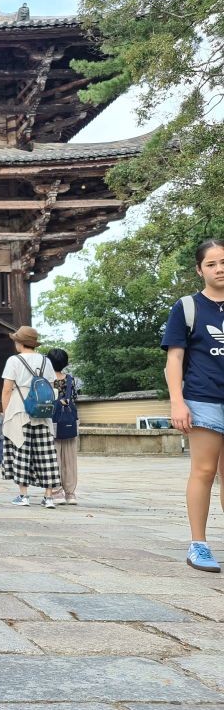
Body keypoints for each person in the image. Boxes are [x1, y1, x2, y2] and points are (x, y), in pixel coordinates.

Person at [163, 238, 224, 573]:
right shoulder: (187, 307)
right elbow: (174, 358)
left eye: (223, 262)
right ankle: (199, 544)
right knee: (204, 471)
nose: (219, 269)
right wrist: (177, 401)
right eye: (211, 264)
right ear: (200, 269)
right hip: (203, 398)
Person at [1, 326, 60, 508]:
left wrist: (6, 414)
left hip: (20, 408)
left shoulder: (14, 360)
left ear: (20, 342)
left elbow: (7, 389)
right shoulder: (46, 361)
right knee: (46, 453)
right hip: (42, 410)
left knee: (22, 451)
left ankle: (23, 495)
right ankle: (49, 497)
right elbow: (51, 387)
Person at [47, 348, 79, 505]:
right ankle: (70, 493)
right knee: (70, 458)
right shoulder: (71, 380)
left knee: (55, 457)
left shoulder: (46, 380)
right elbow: (74, 399)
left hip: (52, 421)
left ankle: (56, 491)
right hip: (69, 422)